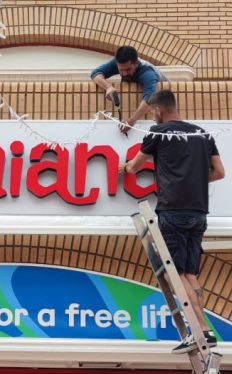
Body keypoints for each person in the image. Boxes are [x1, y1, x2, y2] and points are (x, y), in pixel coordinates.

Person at [120, 89, 225, 353]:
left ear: (157, 110)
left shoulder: (158, 133)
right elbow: (220, 172)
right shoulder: (202, 134)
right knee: (190, 274)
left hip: (172, 211)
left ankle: (200, 330)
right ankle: (205, 330)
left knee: (175, 274)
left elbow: (134, 166)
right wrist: (195, 180)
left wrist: (125, 168)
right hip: (199, 213)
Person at [90, 45, 167, 134]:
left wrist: (131, 121)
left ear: (136, 63)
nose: (124, 73)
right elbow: (95, 73)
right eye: (121, 70)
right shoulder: (118, 62)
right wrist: (108, 87)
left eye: (128, 69)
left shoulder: (147, 72)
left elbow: (150, 98)